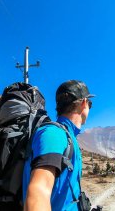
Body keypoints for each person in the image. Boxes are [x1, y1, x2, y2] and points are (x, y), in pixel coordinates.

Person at [22, 80, 95, 211]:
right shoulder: (54, 134)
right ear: (84, 103)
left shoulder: (67, 135)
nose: (90, 107)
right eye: (90, 104)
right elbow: (38, 192)